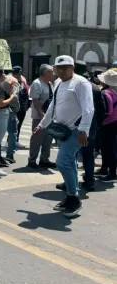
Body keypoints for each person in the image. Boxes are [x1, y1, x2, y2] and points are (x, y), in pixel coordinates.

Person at [36, 56, 94, 218]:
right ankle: (71, 196)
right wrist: (42, 125)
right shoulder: (58, 83)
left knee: (62, 162)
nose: (61, 70)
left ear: (73, 67)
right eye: (58, 68)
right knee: (70, 163)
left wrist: (83, 131)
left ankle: (74, 200)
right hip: (61, 131)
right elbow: (52, 107)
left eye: (65, 67)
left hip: (75, 131)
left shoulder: (81, 83)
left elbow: (88, 109)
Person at [28, 64, 55, 169]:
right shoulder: (37, 83)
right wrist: (41, 114)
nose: (53, 73)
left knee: (48, 139)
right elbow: (35, 100)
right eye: (51, 71)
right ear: (45, 73)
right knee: (36, 139)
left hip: (49, 116)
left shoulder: (49, 84)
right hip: (40, 117)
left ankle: (44, 159)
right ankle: (32, 160)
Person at [96, 69, 117, 183]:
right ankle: (105, 169)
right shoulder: (114, 91)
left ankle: (112, 173)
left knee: (108, 148)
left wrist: (99, 122)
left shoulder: (106, 93)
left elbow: (107, 111)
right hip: (114, 122)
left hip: (107, 123)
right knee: (109, 147)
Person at [1, 72, 21, 165]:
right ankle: (10, 155)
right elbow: (16, 105)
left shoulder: (0, 88)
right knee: (13, 134)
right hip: (11, 113)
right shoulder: (12, 91)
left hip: (0, 113)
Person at [12, 66, 30, 147]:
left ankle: (14, 140)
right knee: (14, 125)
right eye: (16, 73)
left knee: (18, 125)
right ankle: (12, 141)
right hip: (14, 107)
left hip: (22, 107)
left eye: (18, 73)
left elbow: (27, 92)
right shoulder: (11, 81)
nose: (17, 75)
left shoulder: (23, 81)